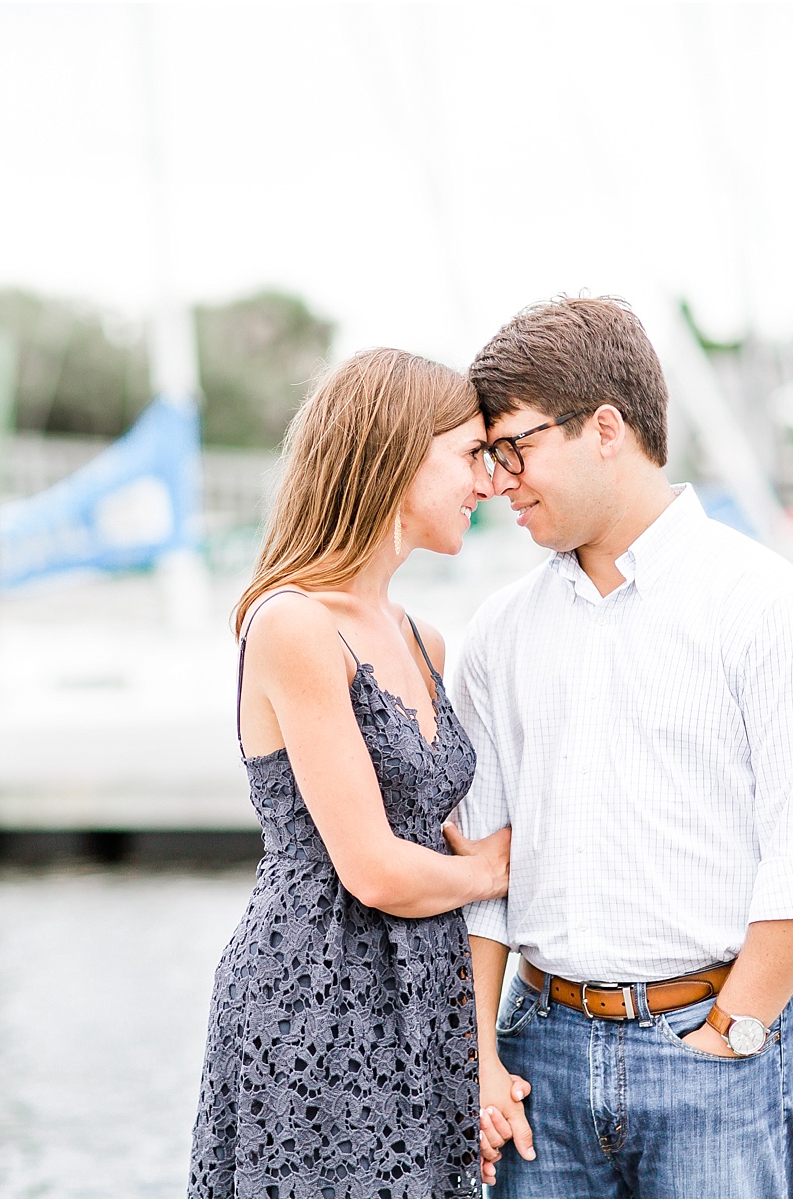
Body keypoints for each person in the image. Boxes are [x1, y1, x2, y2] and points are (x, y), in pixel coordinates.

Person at [452, 298, 793, 1199]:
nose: (496, 481)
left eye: (513, 448)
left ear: (605, 428)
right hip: (539, 1058)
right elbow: (484, 872)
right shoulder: (496, 635)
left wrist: (735, 1031)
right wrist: (482, 1055)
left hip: (713, 1054)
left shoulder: (777, 615)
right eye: (487, 457)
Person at [189, 347, 510, 1200]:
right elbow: (372, 868)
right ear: (401, 457)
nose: (488, 482)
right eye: (470, 454)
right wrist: (495, 867)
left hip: (424, 994)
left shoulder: (422, 639)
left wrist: (480, 1051)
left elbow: (432, 837)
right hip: (316, 990)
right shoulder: (293, 623)